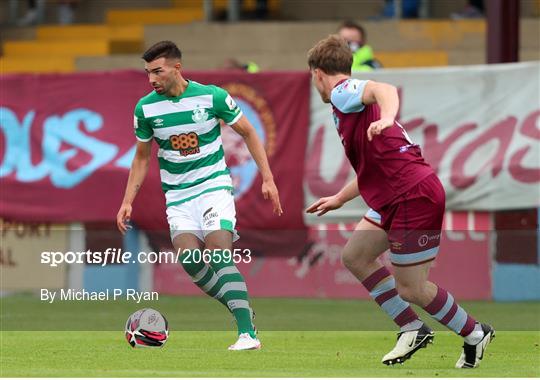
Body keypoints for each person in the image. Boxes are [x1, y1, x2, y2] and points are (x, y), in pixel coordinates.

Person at [306, 35, 494, 368]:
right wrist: (338, 197)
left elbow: (385, 89)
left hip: (413, 195)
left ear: (318, 74)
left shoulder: (341, 92)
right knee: (356, 256)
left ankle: (475, 332)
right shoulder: (351, 108)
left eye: (312, 78)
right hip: (394, 196)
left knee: (411, 288)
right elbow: (371, 169)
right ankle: (411, 326)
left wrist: (388, 117)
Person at [116, 40, 282, 351]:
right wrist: (127, 201)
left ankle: (247, 334)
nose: (151, 79)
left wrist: (268, 178)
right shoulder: (145, 108)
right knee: (191, 261)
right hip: (178, 195)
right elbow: (141, 158)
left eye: (157, 72)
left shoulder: (212, 96)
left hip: (213, 185)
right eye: (147, 73)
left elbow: (248, 131)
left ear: (177, 68)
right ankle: (241, 307)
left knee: (219, 254)